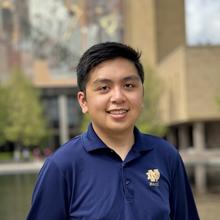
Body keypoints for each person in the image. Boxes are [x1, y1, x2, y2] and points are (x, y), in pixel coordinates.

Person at [26, 42, 199, 220]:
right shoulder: (61, 166)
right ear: (83, 101)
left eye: (129, 86)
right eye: (104, 88)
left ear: (142, 94)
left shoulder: (166, 156)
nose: (118, 97)